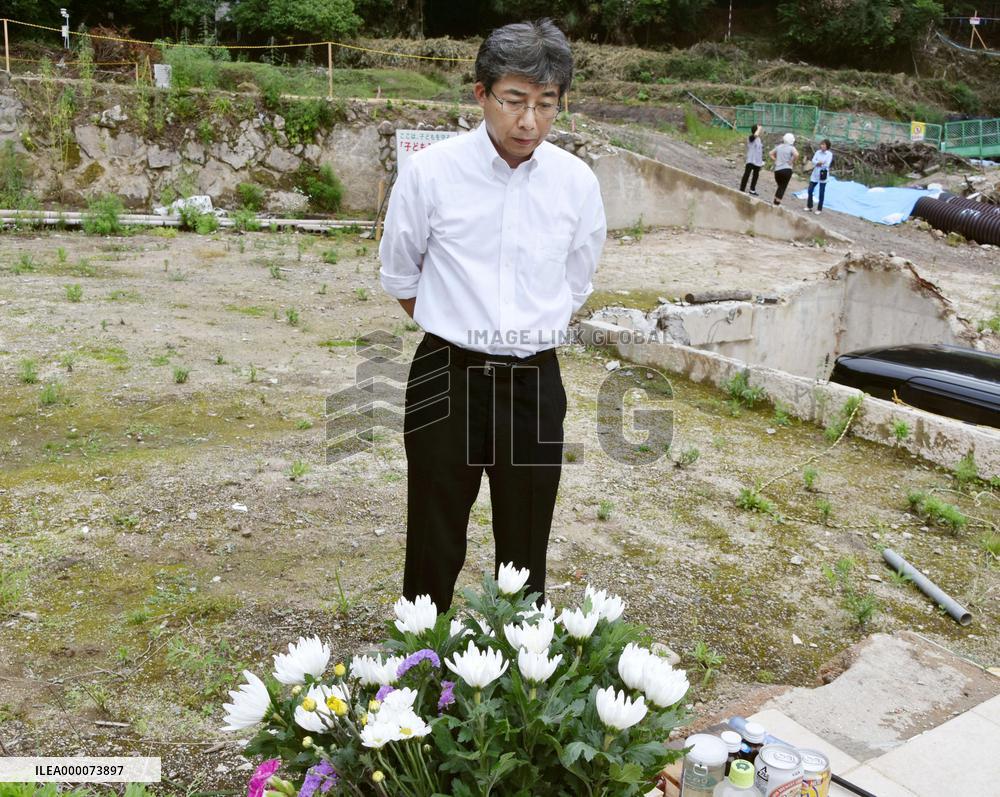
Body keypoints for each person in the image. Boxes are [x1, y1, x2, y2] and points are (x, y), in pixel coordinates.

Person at [378, 19, 607, 612]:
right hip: (446, 374)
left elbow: (577, 280)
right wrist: (461, 327)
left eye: (545, 104)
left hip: (533, 381)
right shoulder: (432, 173)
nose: (529, 121)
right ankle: (417, 672)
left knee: (526, 541)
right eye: (514, 101)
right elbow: (402, 273)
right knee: (433, 534)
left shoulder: (575, 184)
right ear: (481, 94)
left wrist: (522, 332)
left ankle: (518, 685)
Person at [769, 132, 798, 206]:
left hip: (777, 170)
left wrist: (775, 160)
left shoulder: (779, 146)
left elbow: (770, 153)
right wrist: (792, 161)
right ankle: (776, 203)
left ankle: (775, 201)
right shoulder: (791, 148)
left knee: (780, 187)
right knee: (782, 187)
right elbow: (796, 154)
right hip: (787, 170)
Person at [806, 139, 833, 214]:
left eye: (824, 145)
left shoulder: (829, 154)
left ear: (827, 146)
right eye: (821, 144)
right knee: (810, 190)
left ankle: (819, 208)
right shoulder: (818, 152)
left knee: (821, 192)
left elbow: (827, 164)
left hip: (823, 174)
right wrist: (819, 162)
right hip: (815, 174)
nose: (822, 146)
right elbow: (813, 161)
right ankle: (809, 205)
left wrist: (819, 163)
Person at [739, 124, 764, 196]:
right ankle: (742, 188)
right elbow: (755, 135)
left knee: (756, 175)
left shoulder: (759, 139)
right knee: (747, 174)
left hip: (757, 161)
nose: (760, 131)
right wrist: (758, 129)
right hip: (751, 160)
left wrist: (761, 162)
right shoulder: (751, 137)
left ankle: (752, 189)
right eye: (759, 130)